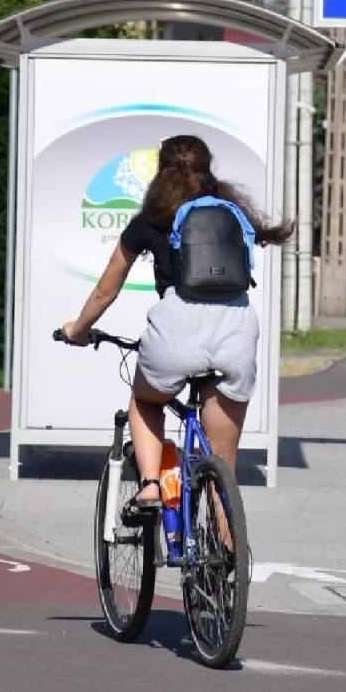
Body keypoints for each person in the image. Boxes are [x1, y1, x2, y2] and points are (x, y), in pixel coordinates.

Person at [62, 135, 293, 510]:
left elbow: (107, 289)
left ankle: (152, 486)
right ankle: (229, 558)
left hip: (177, 329)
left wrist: (79, 328)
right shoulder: (231, 212)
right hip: (236, 329)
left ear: (160, 170)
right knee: (224, 469)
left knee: (144, 400)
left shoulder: (150, 220)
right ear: (207, 168)